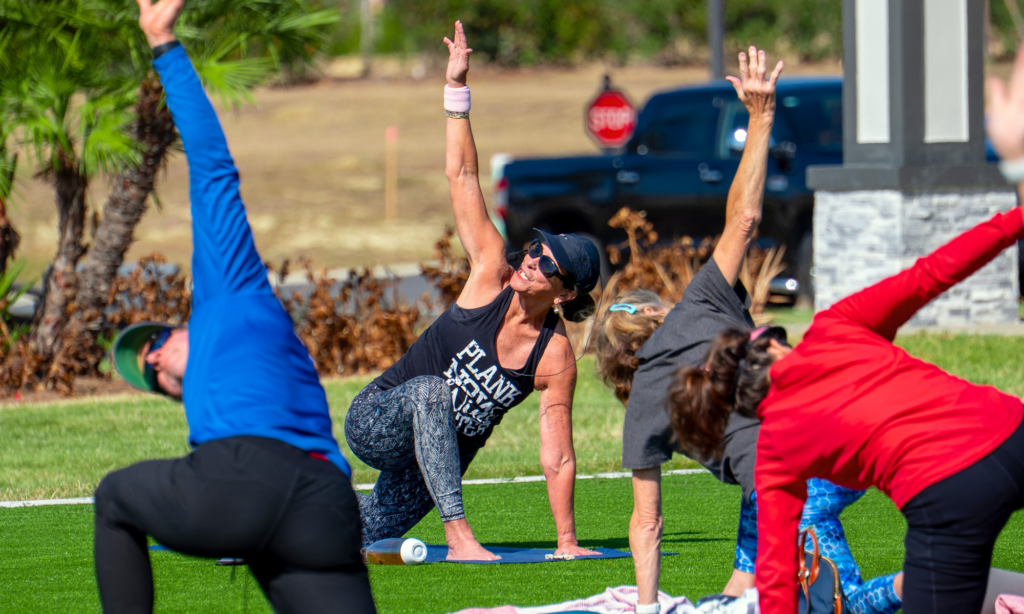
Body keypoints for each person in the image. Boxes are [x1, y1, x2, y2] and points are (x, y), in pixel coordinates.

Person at [666, 47, 1024, 614]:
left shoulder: (776, 446)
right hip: (1008, 428)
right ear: (771, 344)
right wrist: (1016, 217)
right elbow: (932, 274)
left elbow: (776, 579)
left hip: (949, 496)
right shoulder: (837, 326)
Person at [597, 49, 902, 614]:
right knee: (746, 567)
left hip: (803, 468)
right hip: (840, 422)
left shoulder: (641, 406)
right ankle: (737, 593)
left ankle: (932, 578)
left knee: (845, 604)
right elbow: (743, 219)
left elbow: (647, 522)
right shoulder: (699, 304)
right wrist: (760, 117)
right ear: (655, 315)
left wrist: (647, 607)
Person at [95, 2, 374, 612]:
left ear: (182, 332)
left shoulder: (230, 294)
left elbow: (213, 170)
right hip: (320, 510)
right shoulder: (224, 387)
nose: (156, 362)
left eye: (155, 344)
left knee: (114, 496)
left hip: (276, 484)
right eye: (156, 379)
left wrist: (164, 45)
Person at [344, 21, 602, 561]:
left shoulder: (553, 356)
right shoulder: (491, 272)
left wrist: (567, 542)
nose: (532, 259)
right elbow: (462, 176)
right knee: (432, 392)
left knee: (349, 534)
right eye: (536, 248)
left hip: (434, 466)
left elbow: (557, 454)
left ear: (563, 293)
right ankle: (459, 537)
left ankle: (266, 525)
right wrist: (456, 91)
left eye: (548, 263)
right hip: (377, 420)